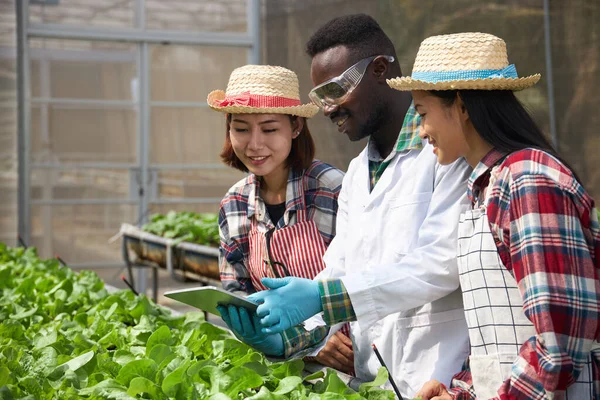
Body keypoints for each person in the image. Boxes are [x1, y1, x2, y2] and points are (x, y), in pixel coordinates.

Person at [243, 15, 473, 398]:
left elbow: (440, 264)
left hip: (440, 378)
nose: (329, 109)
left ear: (380, 70)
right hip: (372, 381)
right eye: (320, 99)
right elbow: (340, 271)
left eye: (335, 91)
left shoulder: (448, 156)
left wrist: (321, 297)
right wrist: (283, 338)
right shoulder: (355, 175)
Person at [386, 32, 600, 399]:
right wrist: (461, 392)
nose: (421, 132)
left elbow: (560, 339)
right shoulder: (486, 188)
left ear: (462, 106)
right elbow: (500, 338)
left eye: (423, 114)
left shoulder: (528, 182)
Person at [209, 65, 346, 360]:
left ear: (295, 127)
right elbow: (238, 295)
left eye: (270, 129)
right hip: (280, 365)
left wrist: (321, 340)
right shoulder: (234, 205)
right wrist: (295, 345)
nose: (255, 144)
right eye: (241, 129)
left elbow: (359, 282)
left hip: (349, 362)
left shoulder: (332, 190)